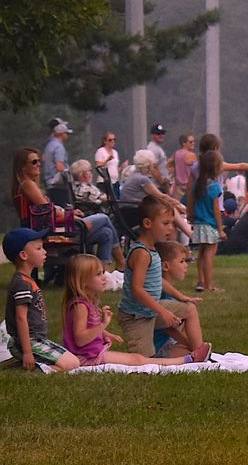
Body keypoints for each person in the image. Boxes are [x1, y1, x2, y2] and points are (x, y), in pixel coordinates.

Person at [60, 254, 198, 367]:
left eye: (103, 272)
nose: (104, 277)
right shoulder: (80, 307)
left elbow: (88, 329)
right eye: (98, 274)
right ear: (83, 281)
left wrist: (107, 334)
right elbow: (80, 339)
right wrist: (103, 324)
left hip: (90, 353)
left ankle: (185, 359)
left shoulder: (86, 303)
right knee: (138, 360)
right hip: (86, 357)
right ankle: (186, 360)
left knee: (138, 359)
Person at [117, 196, 209, 360]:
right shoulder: (142, 253)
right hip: (136, 316)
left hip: (150, 310)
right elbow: (137, 289)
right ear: (148, 223)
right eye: (165, 223)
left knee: (189, 309)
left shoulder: (152, 250)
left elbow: (158, 281)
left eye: (172, 223)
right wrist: (163, 312)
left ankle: (198, 354)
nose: (171, 228)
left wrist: (181, 297)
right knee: (145, 363)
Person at [10, 148, 118, 267]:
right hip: (49, 230)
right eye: (34, 162)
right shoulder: (27, 184)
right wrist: (71, 216)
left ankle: (101, 271)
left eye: (39, 161)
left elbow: (46, 210)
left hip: (51, 226)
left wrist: (69, 213)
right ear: (23, 167)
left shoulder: (27, 185)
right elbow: (48, 209)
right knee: (103, 218)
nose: (39, 164)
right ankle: (122, 263)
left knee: (106, 233)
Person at [4, 228, 81, 373]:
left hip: (37, 339)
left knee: (74, 361)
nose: (45, 252)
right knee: (72, 364)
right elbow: (21, 318)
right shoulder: (22, 284)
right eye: (39, 248)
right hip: (28, 342)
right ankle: (24, 371)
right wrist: (27, 352)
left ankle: (22, 366)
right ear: (24, 255)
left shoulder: (27, 280)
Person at [114, 149, 191, 240]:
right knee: (171, 209)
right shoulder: (143, 179)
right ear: (149, 165)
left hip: (128, 212)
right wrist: (178, 204)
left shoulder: (134, 176)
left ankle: (180, 241)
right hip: (136, 213)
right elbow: (160, 196)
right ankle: (190, 234)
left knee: (170, 217)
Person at [189, 151, 226, 292]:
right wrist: (220, 229)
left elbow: (191, 203)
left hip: (198, 224)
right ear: (215, 168)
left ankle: (201, 281)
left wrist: (191, 215)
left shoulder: (198, 185)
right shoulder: (215, 187)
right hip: (210, 224)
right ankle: (209, 285)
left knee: (201, 253)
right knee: (209, 254)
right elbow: (216, 210)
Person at [42, 118, 72, 187]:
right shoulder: (58, 147)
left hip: (49, 182)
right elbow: (60, 166)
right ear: (62, 133)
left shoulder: (49, 145)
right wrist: (69, 181)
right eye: (66, 133)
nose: (67, 135)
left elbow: (43, 159)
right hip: (57, 184)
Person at [170, 133, 196, 203]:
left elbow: (169, 164)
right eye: (190, 142)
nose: (193, 143)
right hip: (189, 187)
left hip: (178, 188)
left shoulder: (176, 153)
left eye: (194, 141)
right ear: (184, 143)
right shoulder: (191, 155)